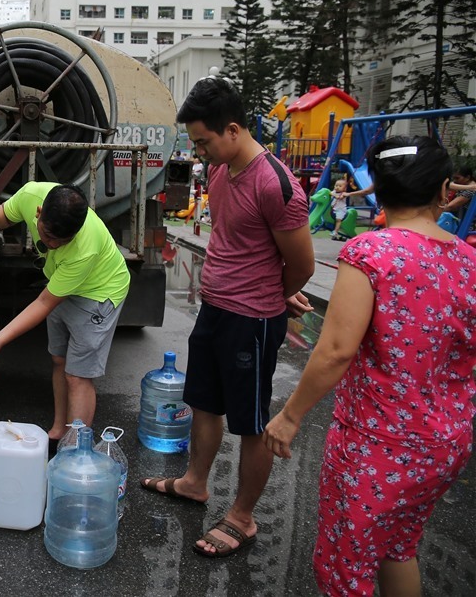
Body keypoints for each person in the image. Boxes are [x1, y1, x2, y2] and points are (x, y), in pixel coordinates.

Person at [263, 136, 475, 597]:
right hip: (446, 443)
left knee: (346, 567)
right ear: (444, 190)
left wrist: (290, 415)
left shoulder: (370, 254)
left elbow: (336, 349)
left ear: (377, 189)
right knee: (400, 547)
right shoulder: (469, 261)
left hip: (377, 445)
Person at [140, 76, 315, 558]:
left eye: (203, 141)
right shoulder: (221, 169)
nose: (199, 152)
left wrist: (277, 293)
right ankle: (195, 482)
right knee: (204, 403)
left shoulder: (276, 184)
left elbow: (303, 265)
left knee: (251, 422)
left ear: (233, 130)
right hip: (215, 308)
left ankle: (242, 516)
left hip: (251, 321)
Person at [0, 182, 131, 445]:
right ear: (38, 212)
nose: (52, 244)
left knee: (78, 375)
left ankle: (75, 451)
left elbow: (43, 303)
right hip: (61, 283)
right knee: (59, 360)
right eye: (48, 235)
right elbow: (6, 213)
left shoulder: (85, 248)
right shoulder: (31, 195)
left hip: (98, 292)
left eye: (63, 241)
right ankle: (58, 432)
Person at [329, 177, 350, 241]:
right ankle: (333, 230)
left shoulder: (344, 193)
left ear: (345, 188)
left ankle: (335, 231)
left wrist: (335, 196)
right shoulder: (334, 192)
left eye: (340, 186)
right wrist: (334, 194)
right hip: (333, 209)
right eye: (336, 185)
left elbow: (340, 197)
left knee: (338, 220)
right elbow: (330, 193)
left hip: (341, 210)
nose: (337, 187)